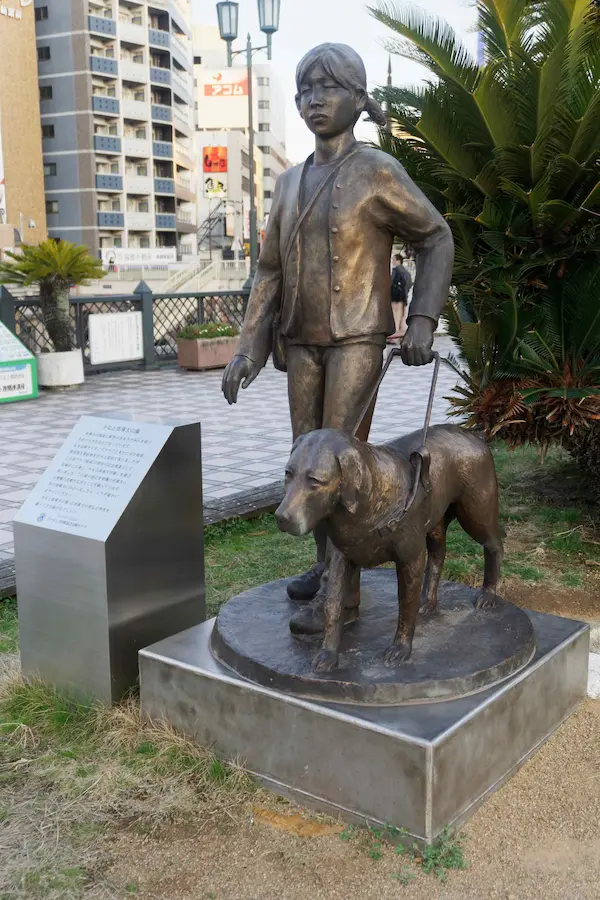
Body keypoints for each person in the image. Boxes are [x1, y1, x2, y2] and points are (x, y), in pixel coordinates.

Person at [222, 43, 454, 633]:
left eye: (328, 88)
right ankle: (327, 563)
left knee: (341, 461)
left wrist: (422, 321)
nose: (314, 100)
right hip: (299, 343)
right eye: (305, 91)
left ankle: (342, 593)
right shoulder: (289, 182)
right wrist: (249, 348)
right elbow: (270, 270)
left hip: (357, 339)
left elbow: (436, 236)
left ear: (358, 98)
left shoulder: (377, 170)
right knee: (306, 461)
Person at [389, 253, 412, 340]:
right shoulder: (406, 272)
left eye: (393, 259)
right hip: (404, 297)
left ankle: (394, 337)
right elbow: (409, 284)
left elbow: (391, 283)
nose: (392, 261)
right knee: (402, 317)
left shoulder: (396, 271)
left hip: (395, 297)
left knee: (395, 316)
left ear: (398, 261)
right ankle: (402, 335)